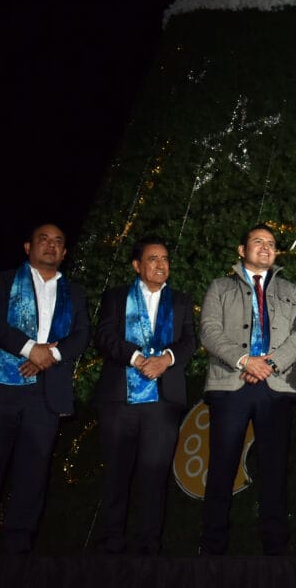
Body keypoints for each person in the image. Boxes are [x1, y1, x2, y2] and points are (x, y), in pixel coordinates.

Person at [0, 223, 89, 553]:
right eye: (43, 239)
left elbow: (81, 336)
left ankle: (17, 547)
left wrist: (49, 356)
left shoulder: (74, 292)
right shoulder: (5, 280)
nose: (50, 245)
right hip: (0, 387)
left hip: (45, 392)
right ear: (28, 247)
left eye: (58, 241)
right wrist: (31, 349)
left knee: (33, 472)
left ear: (64, 252)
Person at [198, 224, 296, 555]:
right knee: (222, 466)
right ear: (241, 250)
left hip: (275, 386)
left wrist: (269, 364)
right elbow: (209, 331)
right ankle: (212, 546)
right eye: (258, 241)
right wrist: (246, 361)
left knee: (274, 468)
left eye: (271, 243)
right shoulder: (219, 287)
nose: (265, 247)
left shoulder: (291, 290)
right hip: (230, 384)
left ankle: (275, 547)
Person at [93, 235, 197, 554]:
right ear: (137, 265)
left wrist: (166, 359)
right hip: (119, 399)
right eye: (153, 259)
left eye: (165, 259)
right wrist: (137, 358)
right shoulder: (115, 297)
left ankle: (149, 546)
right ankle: (111, 543)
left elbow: (189, 342)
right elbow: (104, 336)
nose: (161, 264)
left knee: (154, 476)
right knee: (116, 474)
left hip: (162, 403)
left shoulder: (180, 301)